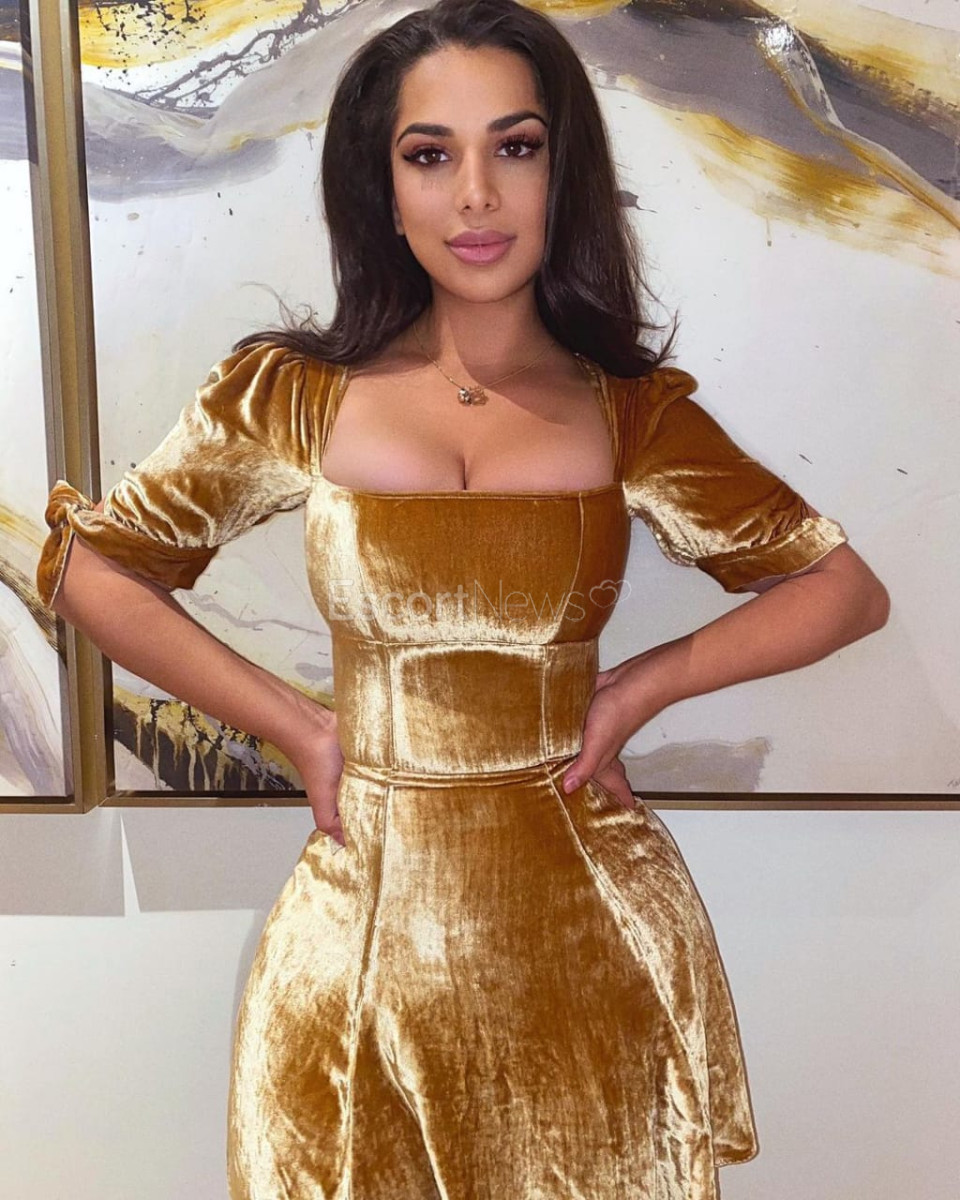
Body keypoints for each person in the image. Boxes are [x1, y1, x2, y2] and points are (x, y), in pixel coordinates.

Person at [36, 1, 889, 1196]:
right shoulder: (290, 396)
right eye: (430, 155)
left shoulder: (630, 411)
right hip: (361, 932)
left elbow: (841, 591)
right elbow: (92, 570)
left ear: (563, 172)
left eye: (516, 146)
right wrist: (301, 729)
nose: (476, 195)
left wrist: (639, 688)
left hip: (584, 930)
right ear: (384, 190)